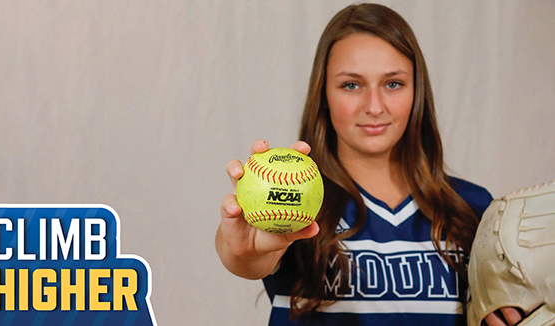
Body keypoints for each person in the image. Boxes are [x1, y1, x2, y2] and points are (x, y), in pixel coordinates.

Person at [216, 3, 524, 326]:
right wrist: (241, 246)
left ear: (417, 91)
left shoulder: (473, 209)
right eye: (351, 85)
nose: (374, 107)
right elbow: (246, 257)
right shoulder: (296, 205)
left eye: (393, 84)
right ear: (324, 94)